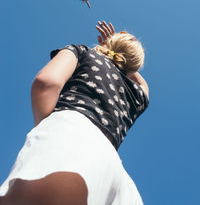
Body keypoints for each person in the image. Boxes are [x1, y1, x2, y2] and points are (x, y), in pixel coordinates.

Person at [0, 21, 149, 205]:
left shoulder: (83, 52)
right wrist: (122, 54)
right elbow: (142, 83)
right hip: (117, 177)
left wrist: (46, 124)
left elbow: (46, 83)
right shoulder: (138, 93)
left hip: (71, 135)